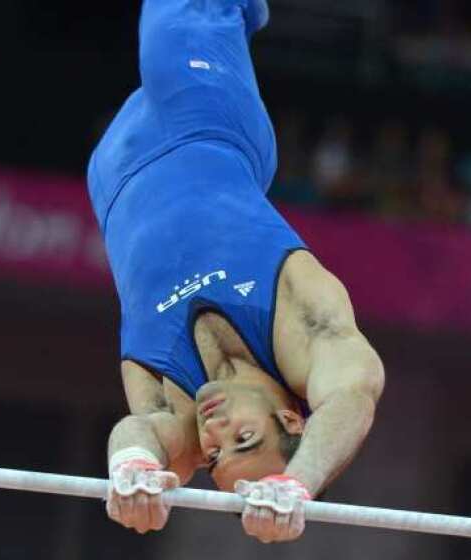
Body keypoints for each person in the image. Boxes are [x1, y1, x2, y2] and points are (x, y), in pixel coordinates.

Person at [87, 0, 385, 544]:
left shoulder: (180, 416)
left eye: (217, 454)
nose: (214, 432)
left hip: (112, 176)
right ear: (293, 421)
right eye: (245, 438)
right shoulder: (295, 327)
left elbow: (140, 434)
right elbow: (353, 395)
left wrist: (132, 470)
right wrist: (300, 483)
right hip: (203, 120)